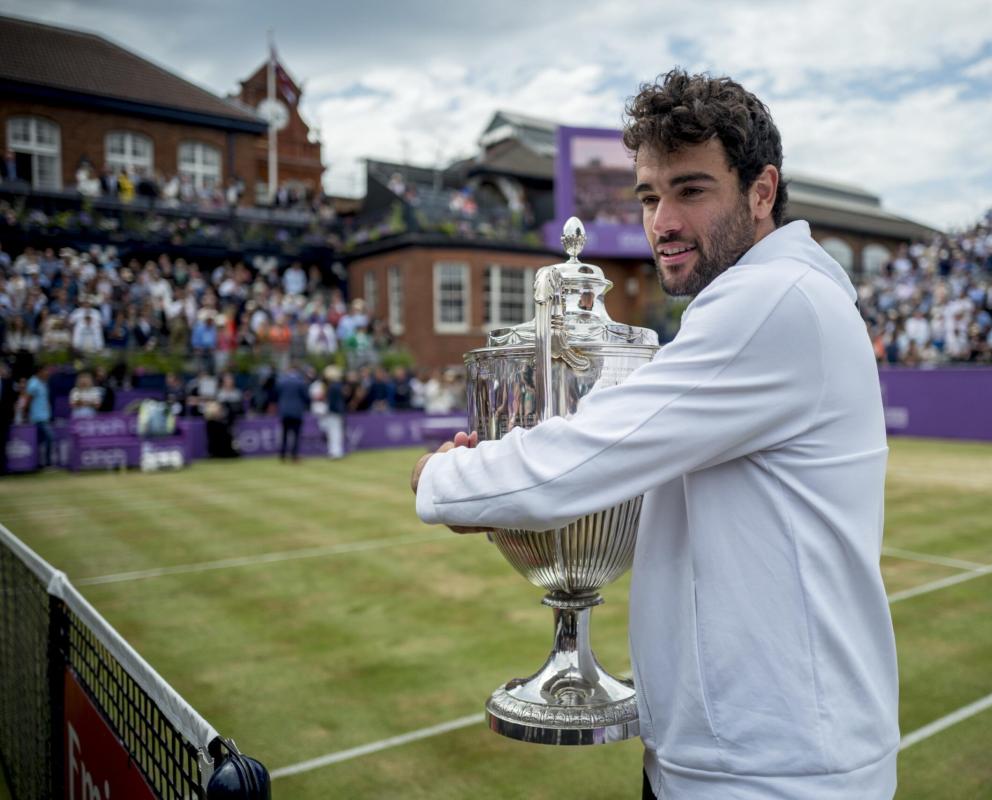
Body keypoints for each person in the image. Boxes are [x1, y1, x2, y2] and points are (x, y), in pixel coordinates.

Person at [411, 70, 898, 798]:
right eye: (649, 195)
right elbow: (618, 454)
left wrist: (444, 483)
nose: (663, 220)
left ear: (761, 192)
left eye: (691, 190)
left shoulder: (773, 301)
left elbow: (587, 455)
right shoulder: (757, 300)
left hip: (777, 775)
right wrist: (503, 486)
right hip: (721, 758)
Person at [275, 366, 308, 462]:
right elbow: (306, 397)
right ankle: (294, 455)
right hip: (297, 412)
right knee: (296, 435)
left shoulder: (281, 382)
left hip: (284, 411)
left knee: (285, 434)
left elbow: (276, 395)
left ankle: (282, 454)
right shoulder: (300, 382)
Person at [23, 364, 53, 469]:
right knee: (49, 437)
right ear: (39, 371)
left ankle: (39, 464)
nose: (48, 373)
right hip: (36, 418)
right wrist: (25, 415)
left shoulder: (43, 383)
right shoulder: (34, 383)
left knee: (39, 442)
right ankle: (47, 464)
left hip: (44, 417)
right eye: (46, 370)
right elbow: (27, 400)